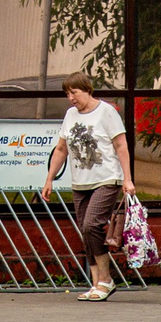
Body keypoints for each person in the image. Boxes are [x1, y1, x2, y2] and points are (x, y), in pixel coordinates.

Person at [42, 74, 133, 301]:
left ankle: (106, 280)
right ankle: (96, 284)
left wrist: (127, 179)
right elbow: (61, 149)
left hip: (106, 178)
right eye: (67, 94)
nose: (70, 98)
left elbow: (121, 145)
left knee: (92, 224)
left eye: (74, 93)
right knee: (85, 230)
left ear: (87, 90)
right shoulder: (70, 115)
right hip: (80, 181)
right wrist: (49, 178)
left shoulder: (106, 112)